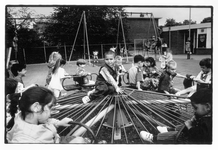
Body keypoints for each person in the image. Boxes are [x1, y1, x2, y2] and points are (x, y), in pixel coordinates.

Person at [6, 86, 88, 143]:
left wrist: (59, 123)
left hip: (55, 140)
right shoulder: (25, 140)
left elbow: (45, 123)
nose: (51, 112)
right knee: (80, 141)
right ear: (36, 107)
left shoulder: (25, 117)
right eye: (50, 107)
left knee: (80, 140)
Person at [140, 89, 212, 144]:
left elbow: (198, 137)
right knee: (184, 126)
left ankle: (153, 138)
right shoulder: (206, 113)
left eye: (196, 108)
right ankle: (170, 130)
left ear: (208, 106)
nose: (194, 111)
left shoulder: (209, 124)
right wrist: (194, 119)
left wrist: (190, 127)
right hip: (193, 132)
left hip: (191, 140)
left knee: (177, 135)